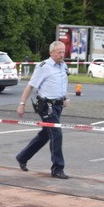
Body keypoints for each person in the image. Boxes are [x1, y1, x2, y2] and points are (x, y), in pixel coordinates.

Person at [15, 40, 69, 179]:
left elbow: (62, 84)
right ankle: (57, 168)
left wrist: (65, 97)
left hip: (58, 105)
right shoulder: (43, 66)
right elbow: (30, 86)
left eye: (63, 52)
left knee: (46, 134)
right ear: (51, 53)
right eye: (59, 52)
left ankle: (22, 157)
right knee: (56, 134)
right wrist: (22, 103)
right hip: (46, 106)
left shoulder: (63, 66)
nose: (62, 55)